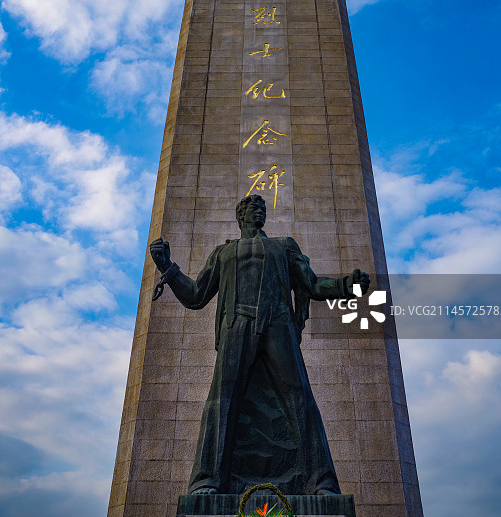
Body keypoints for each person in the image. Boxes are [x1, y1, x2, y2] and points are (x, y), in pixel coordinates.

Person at [150, 194, 370, 495]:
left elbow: (313, 284)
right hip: (236, 325)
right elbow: (195, 296)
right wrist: (168, 268)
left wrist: (347, 286)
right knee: (221, 400)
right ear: (240, 215)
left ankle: (321, 483)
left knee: (299, 396)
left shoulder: (284, 246)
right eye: (254, 207)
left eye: (263, 208)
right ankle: (207, 481)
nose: (260, 211)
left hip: (277, 322)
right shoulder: (223, 253)